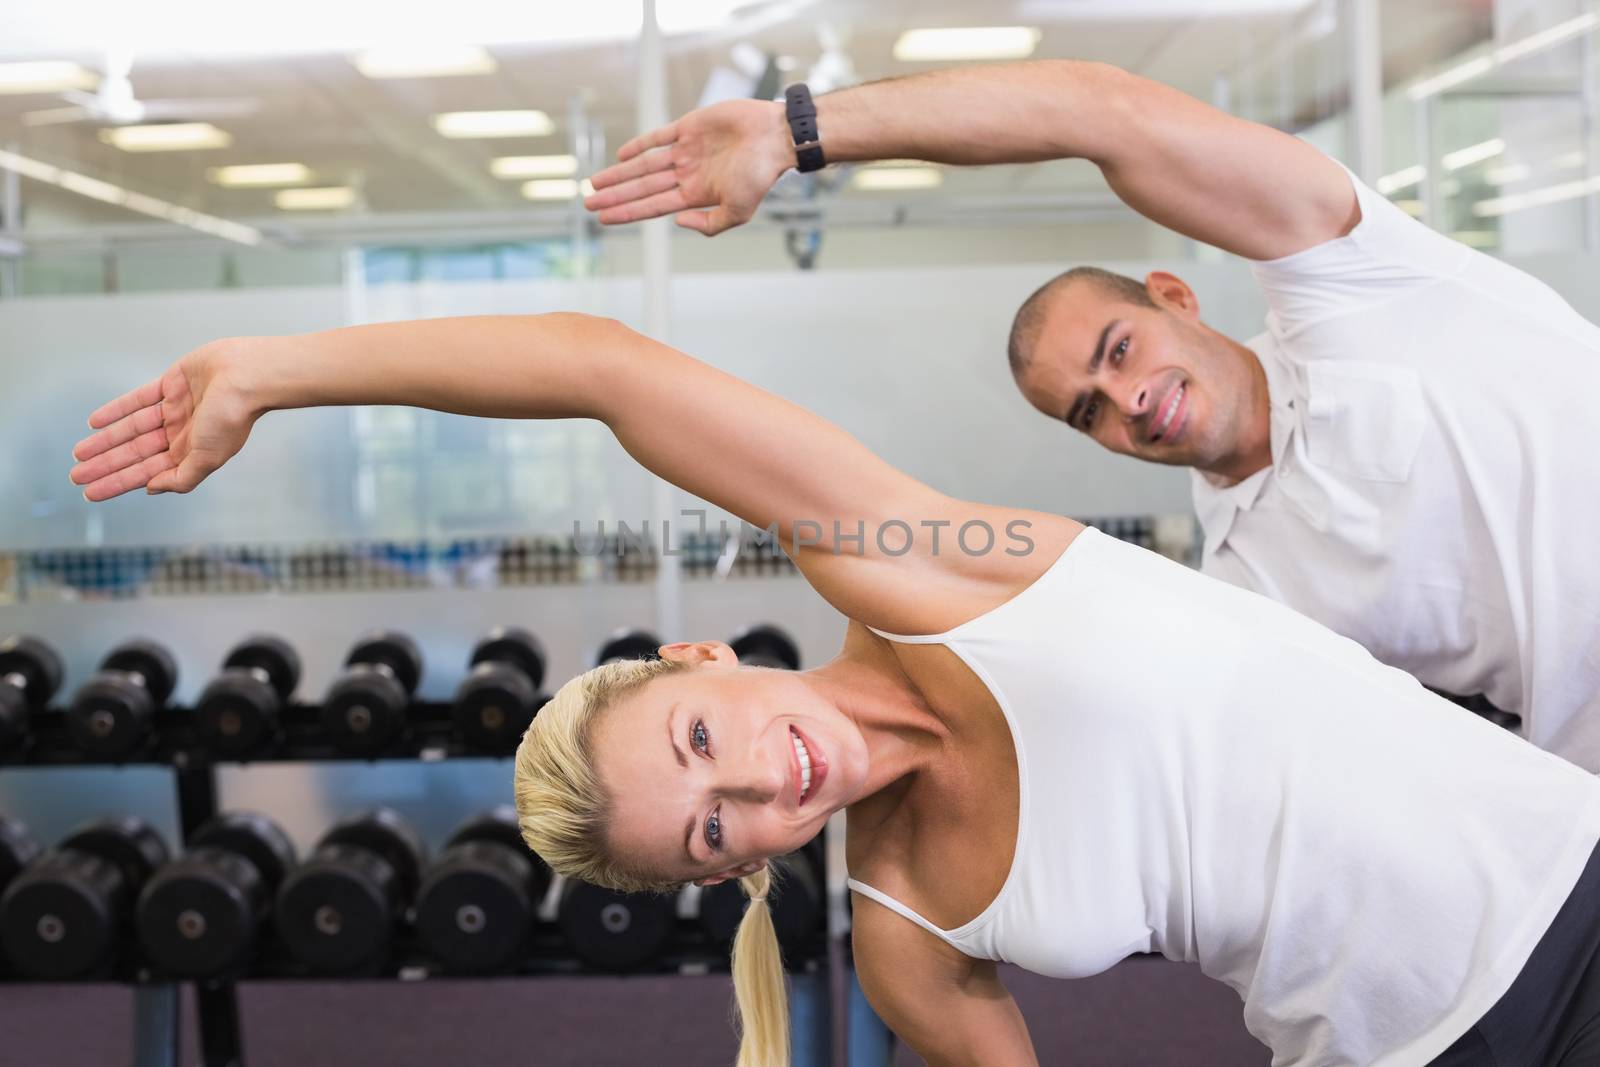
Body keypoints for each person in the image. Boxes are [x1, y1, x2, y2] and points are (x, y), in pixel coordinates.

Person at [69, 313, 1600, 1066]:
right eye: (717, 832)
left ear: (700, 659)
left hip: (1566, 868)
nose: (761, 790)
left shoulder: (924, 566)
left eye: (701, 745)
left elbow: (605, 370)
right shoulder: (910, 943)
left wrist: (277, 368)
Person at [582, 60, 1600, 771]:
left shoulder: (1355, 283)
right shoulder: (1251, 588)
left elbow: (1098, 111)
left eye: (1118, 350)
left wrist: (794, 130)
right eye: (1089, 411)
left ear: (1174, 293)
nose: (1127, 402)